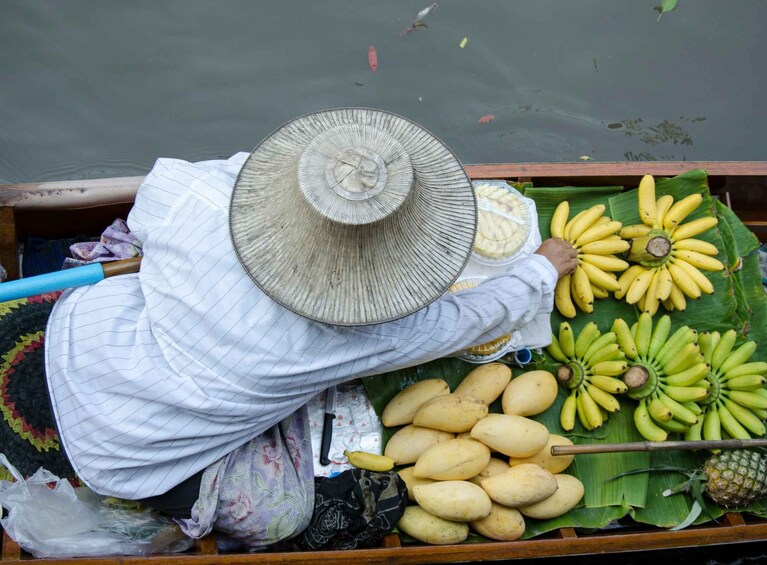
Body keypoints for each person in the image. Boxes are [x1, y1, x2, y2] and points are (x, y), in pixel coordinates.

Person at [24, 108, 578, 547]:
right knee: (283, 516)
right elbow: (463, 320)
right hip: (118, 449)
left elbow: (158, 199)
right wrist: (540, 270)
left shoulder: (195, 191)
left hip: (81, 328)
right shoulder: (356, 336)